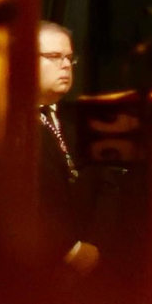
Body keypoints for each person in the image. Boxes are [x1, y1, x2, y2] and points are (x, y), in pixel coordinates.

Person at [38, 21, 99, 277]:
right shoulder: (7, 124)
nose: (65, 65)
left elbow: (105, 186)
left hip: (90, 264)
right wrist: (70, 251)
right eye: (54, 57)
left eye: (69, 58)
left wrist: (95, 245)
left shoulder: (78, 122)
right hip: (39, 265)